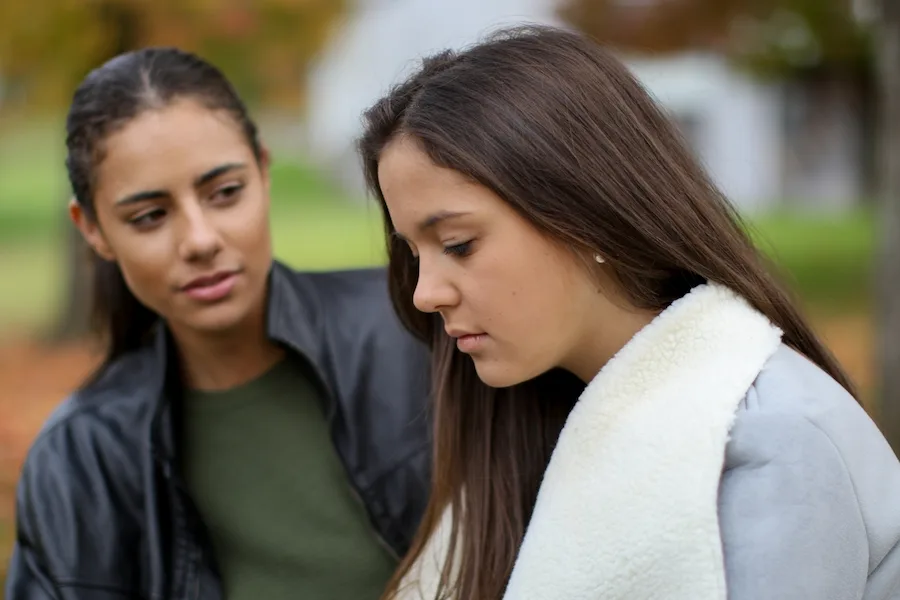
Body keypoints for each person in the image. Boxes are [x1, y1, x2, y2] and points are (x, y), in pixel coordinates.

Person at [358, 24, 900, 600]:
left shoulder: (767, 439)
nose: (425, 293)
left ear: (585, 212)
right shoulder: (526, 419)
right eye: (413, 253)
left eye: (460, 244)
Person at [5, 47, 431, 600]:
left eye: (225, 193)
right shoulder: (79, 461)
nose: (200, 239)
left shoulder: (420, 329)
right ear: (92, 230)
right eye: (150, 216)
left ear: (264, 171)